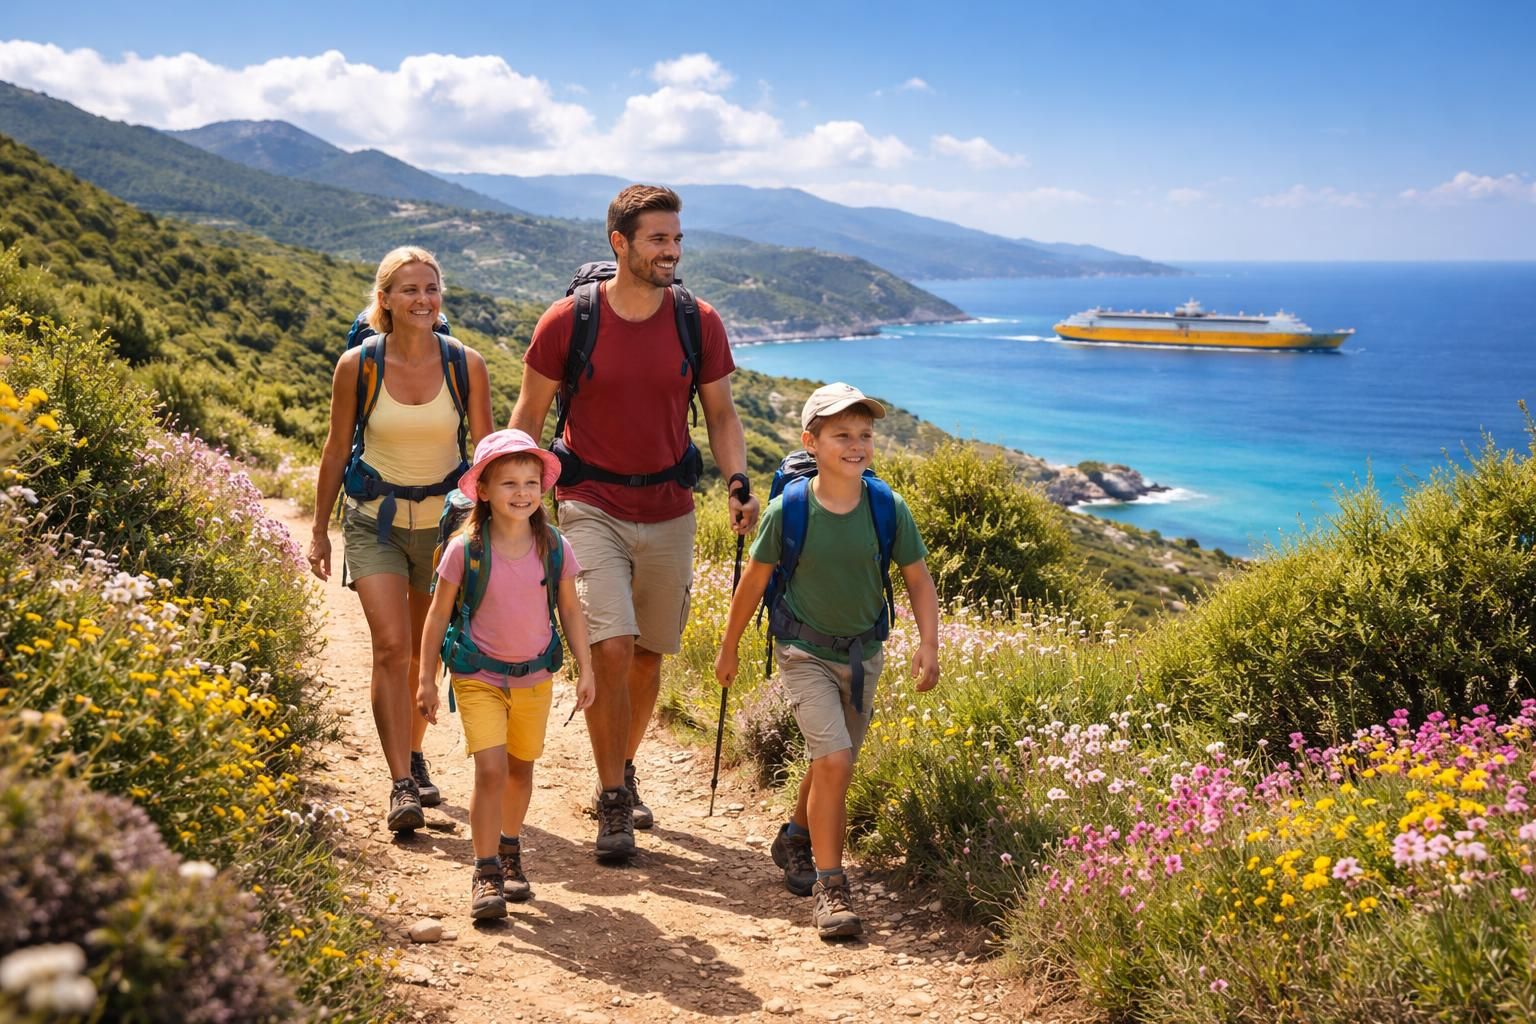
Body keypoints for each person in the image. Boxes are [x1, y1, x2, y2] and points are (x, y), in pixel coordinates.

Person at [510, 184, 759, 860]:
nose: (671, 251)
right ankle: (613, 795)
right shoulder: (567, 321)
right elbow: (527, 418)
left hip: (670, 509)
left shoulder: (696, 320)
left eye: (676, 240)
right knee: (611, 645)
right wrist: (515, 498)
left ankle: (621, 765)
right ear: (619, 242)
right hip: (589, 502)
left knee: (648, 656)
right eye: (658, 240)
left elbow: (722, 415)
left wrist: (738, 481)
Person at [714, 383, 940, 939]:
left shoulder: (888, 507)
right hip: (802, 651)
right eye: (842, 435)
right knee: (836, 759)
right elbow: (754, 582)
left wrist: (928, 644)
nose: (856, 444)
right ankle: (831, 887)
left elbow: (918, 579)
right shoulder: (787, 510)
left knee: (830, 758)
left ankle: (795, 836)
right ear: (810, 442)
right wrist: (729, 645)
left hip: (865, 654)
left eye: (864, 435)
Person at [308, 246, 493, 833]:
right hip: (374, 522)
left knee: (424, 651)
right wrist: (318, 529)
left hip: (445, 530)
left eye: (431, 288)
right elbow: (337, 449)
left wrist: (504, 530)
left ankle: (413, 752)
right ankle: (401, 783)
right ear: (384, 300)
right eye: (409, 290)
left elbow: (489, 455)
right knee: (390, 648)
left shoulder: (467, 364)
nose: (423, 299)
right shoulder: (358, 366)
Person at [416, 429, 595, 919]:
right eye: (510, 483)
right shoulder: (464, 548)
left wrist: (586, 667)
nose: (522, 493)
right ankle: (486, 869)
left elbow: (571, 611)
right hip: (478, 675)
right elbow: (437, 614)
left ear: (544, 489)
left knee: (521, 770)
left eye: (531, 483)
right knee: (491, 771)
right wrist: (426, 678)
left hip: (535, 676)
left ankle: (511, 849)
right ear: (485, 491)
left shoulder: (554, 546)